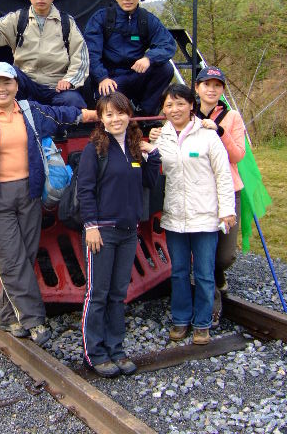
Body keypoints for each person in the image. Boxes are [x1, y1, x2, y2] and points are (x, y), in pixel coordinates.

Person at [0, 62, 97, 345]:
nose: (2, 89)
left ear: (16, 85)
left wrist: (102, 115)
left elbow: (63, 115)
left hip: (30, 193)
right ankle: (34, 319)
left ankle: (8, 316)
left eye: (7, 83)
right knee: (11, 259)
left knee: (26, 254)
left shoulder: (30, 112)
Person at [77, 92, 160, 378]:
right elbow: (85, 190)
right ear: (101, 119)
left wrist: (154, 155)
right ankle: (94, 353)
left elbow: (148, 182)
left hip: (128, 231)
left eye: (120, 113)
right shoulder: (94, 150)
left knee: (118, 294)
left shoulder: (134, 149)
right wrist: (91, 226)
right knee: (97, 293)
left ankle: (115, 348)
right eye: (109, 114)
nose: (116, 119)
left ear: (129, 115)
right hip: (102, 232)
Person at [152, 84, 236, 345]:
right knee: (178, 271)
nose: (174, 109)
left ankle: (202, 323)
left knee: (204, 273)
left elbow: (223, 175)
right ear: (163, 109)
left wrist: (227, 210)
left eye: (180, 103)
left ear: (191, 106)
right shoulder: (161, 137)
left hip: (205, 215)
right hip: (175, 216)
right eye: (169, 105)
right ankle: (180, 319)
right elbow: (152, 164)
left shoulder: (208, 136)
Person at [194, 66, 245, 326]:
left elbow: (238, 155)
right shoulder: (187, 114)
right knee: (204, 252)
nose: (211, 90)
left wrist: (220, 132)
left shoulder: (232, 117)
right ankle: (212, 306)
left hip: (227, 191)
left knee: (225, 255)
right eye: (207, 84)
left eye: (217, 85)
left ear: (222, 90)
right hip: (199, 192)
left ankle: (219, 275)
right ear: (197, 88)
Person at [84, 0, 177, 115]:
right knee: (108, 97)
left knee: (165, 69)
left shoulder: (147, 20)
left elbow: (167, 44)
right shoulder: (101, 18)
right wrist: (102, 77)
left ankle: (145, 114)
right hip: (111, 78)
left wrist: (149, 58)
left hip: (137, 74)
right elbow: (90, 53)